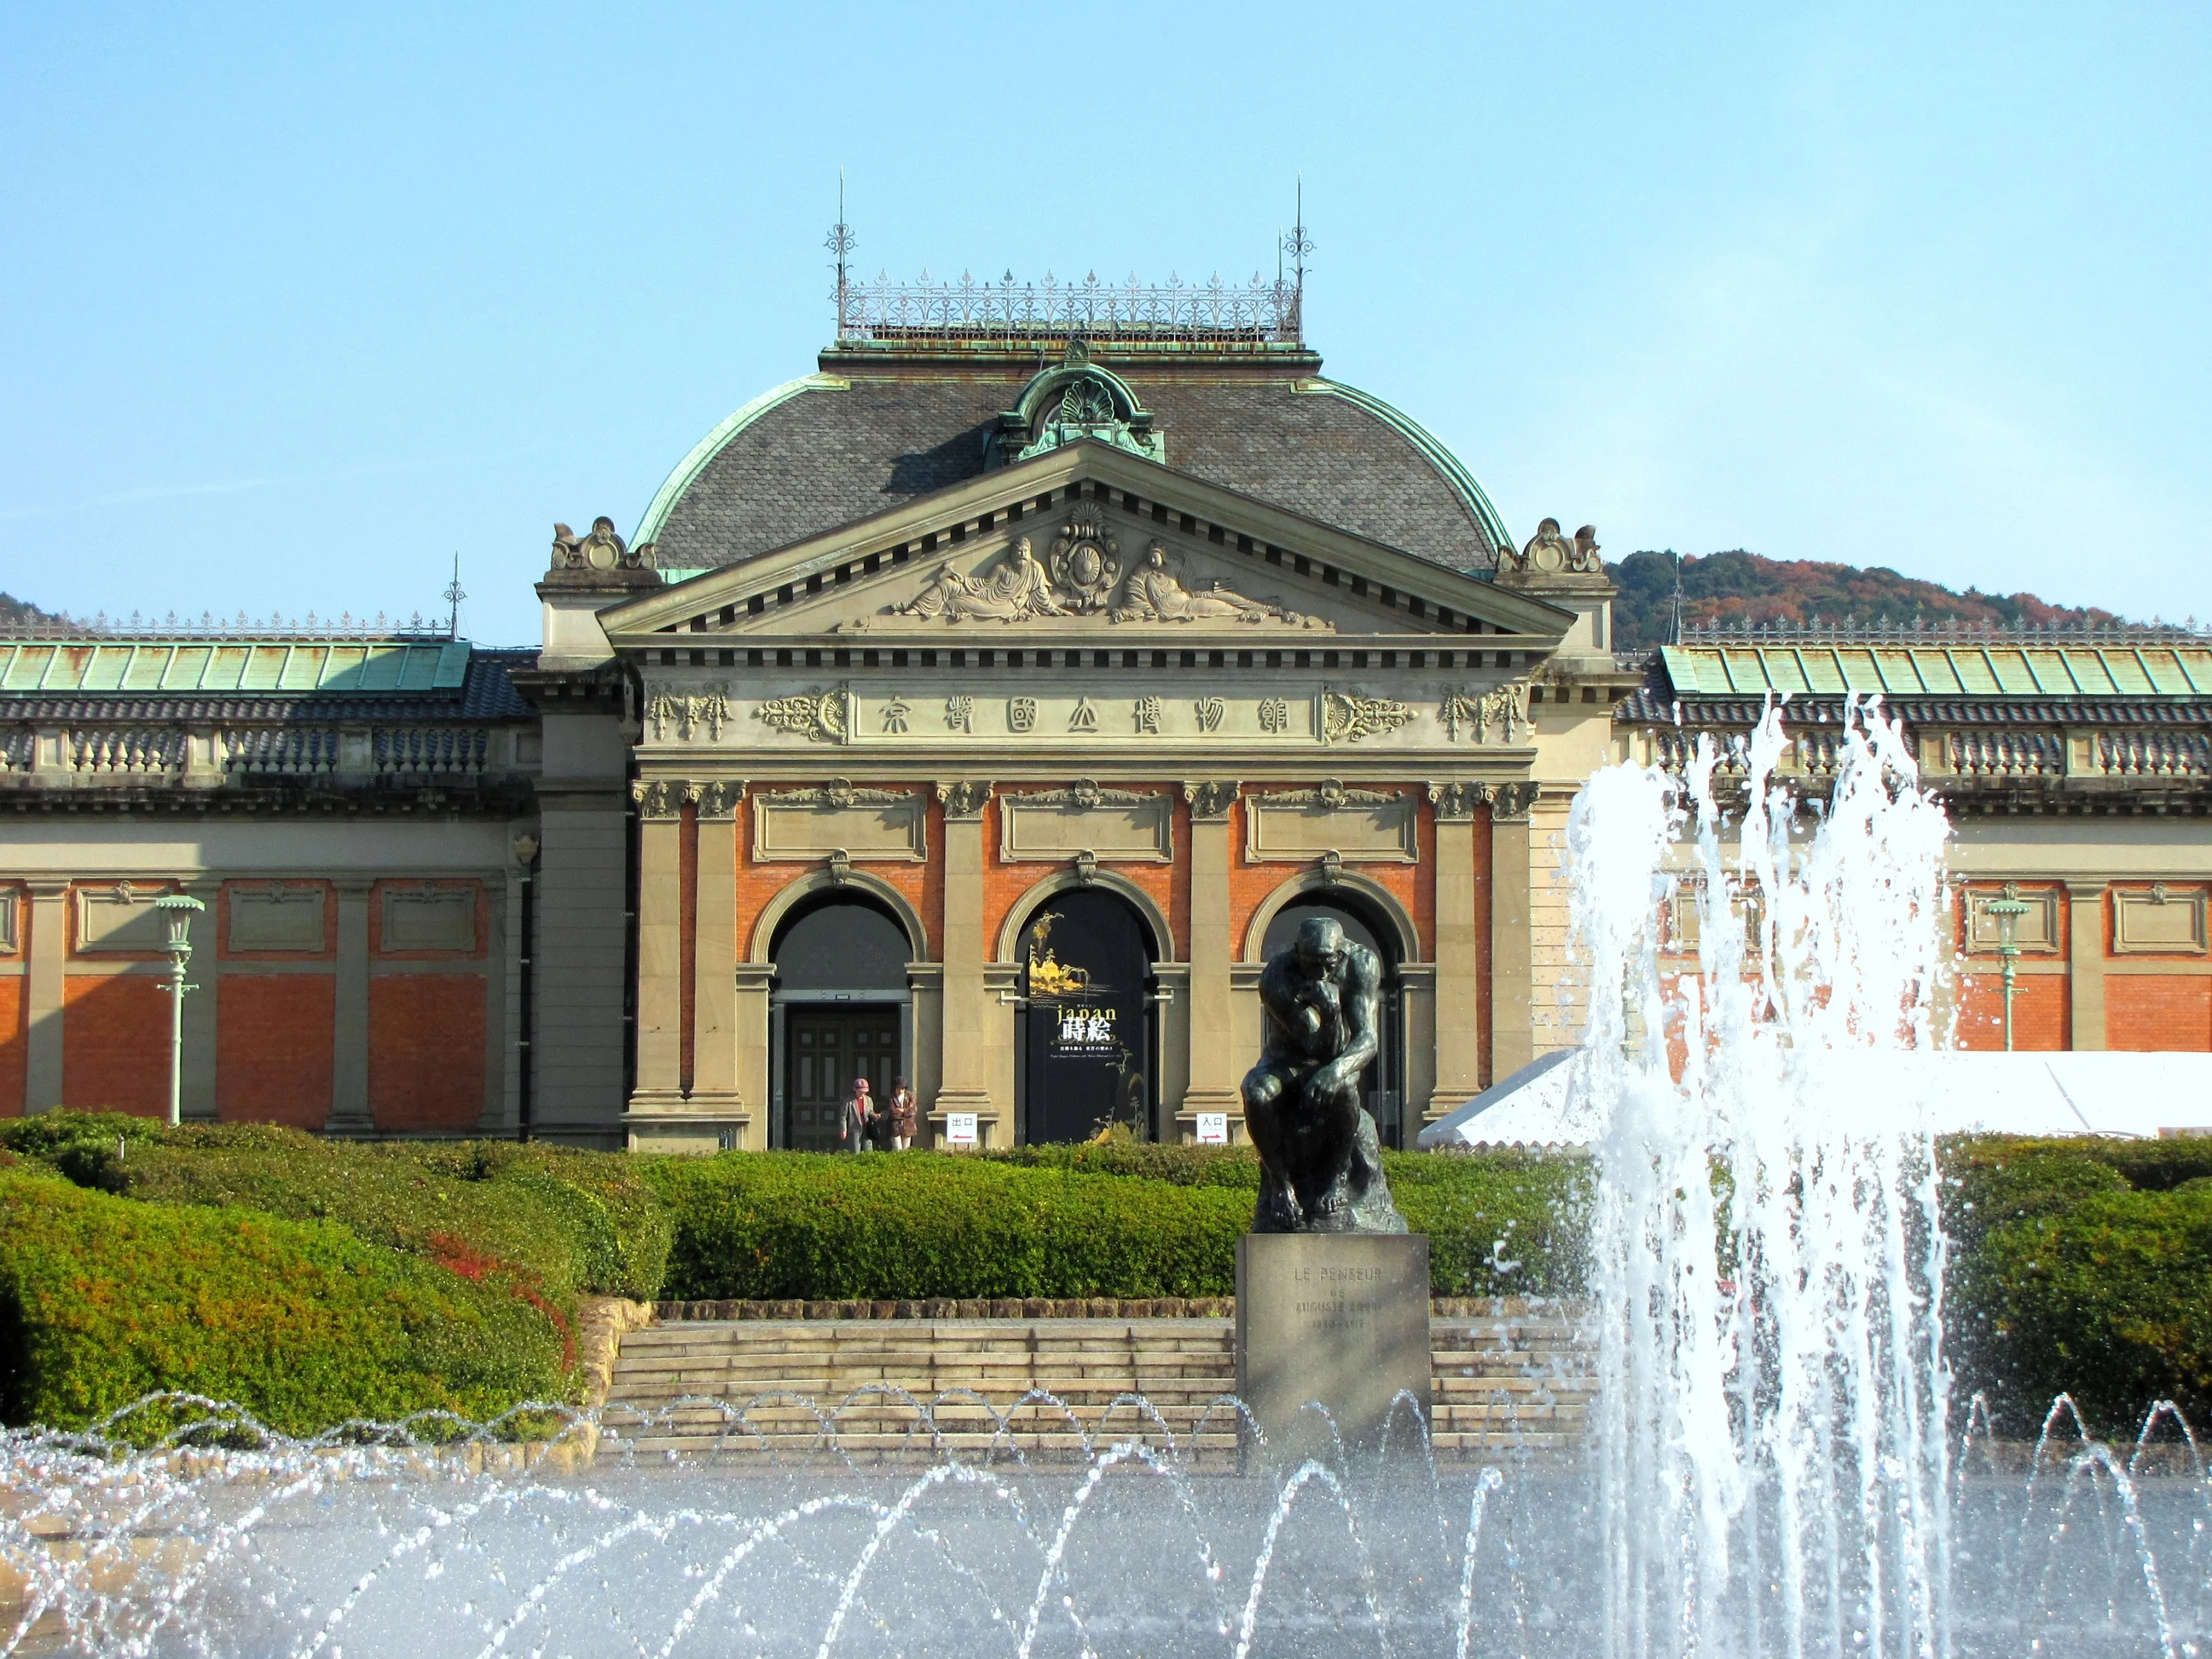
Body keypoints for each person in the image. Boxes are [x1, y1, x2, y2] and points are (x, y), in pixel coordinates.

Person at [838, 1076, 874, 1153]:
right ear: (855, 1090)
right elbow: (843, 1117)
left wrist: (875, 1116)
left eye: (864, 1091)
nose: (863, 1093)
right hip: (854, 1130)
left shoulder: (868, 1100)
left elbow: (870, 1112)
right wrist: (844, 1130)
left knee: (869, 1152)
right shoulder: (848, 1101)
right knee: (855, 1152)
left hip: (867, 1129)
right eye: (861, 1091)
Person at [887, 1077, 918, 1150]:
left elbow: (913, 1110)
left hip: (908, 1126)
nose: (900, 1091)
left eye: (902, 1089)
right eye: (898, 1088)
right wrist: (906, 1113)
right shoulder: (891, 1097)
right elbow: (893, 1112)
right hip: (895, 1126)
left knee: (906, 1149)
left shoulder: (910, 1096)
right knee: (897, 1148)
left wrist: (903, 1111)